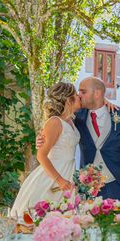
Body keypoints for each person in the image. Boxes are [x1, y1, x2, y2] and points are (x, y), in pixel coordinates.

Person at [11, 83, 81, 215]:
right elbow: (41, 156)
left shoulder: (71, 120)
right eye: (76, 95)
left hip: (68, 171)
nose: (79, 97)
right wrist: (60, 181)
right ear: (68, 100)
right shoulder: (54, 122)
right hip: (53, 175)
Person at [75, 77, 120, 199]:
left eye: (83, 92)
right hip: (88, 187)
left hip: (118, 183)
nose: (79, 95)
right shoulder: (76, 116)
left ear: (97, 93)